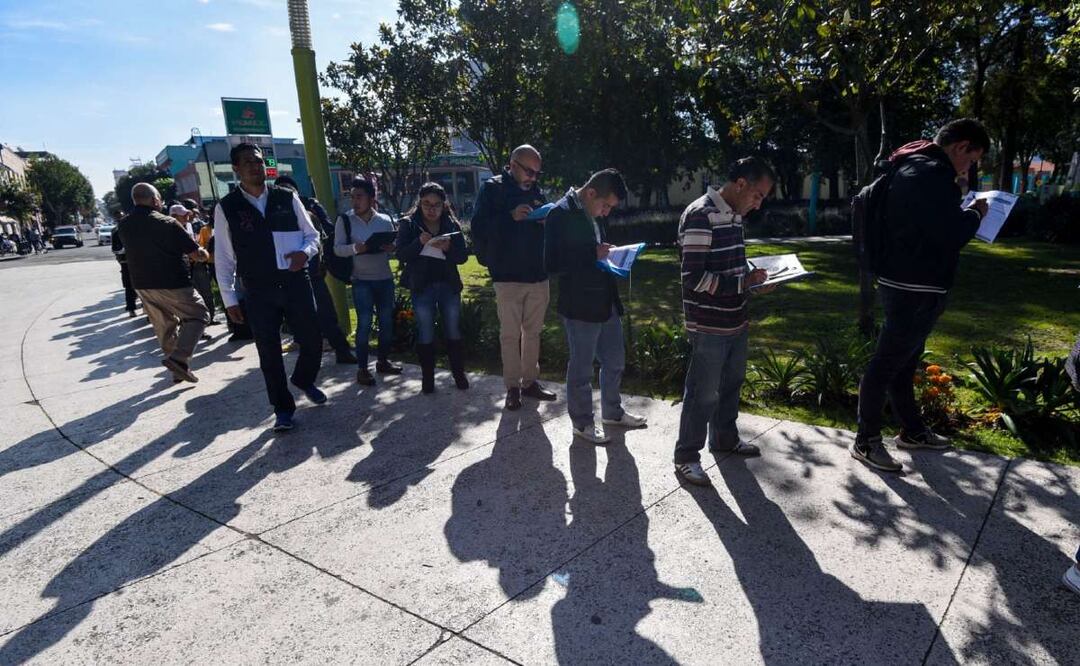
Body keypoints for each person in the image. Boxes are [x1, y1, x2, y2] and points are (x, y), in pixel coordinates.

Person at [851, 118, 991, 473]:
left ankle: (912, 431)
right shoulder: (932, 174)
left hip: (903, 279)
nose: (969, 167)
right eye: (972, 159)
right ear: (961, 146)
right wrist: (975, 213)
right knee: (886, 363)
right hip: (916, 285)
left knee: (904, 361)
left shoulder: (912, 166)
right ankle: (866, 441)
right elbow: (950, 234)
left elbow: (925, 224)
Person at [672, 157, 778, 486]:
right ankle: (686, 457)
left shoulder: (733, 215)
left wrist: (753, 278)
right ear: (740, 184)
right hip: (708, 323)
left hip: (735, 319)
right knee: (702, 393)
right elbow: (694, 277)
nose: (758, 204)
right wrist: (743, 284)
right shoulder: (701, 214)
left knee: (731, 385)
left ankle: (724, 438)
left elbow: (732, 262)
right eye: (758, 195)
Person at [214, 143, 326, 432]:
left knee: (313, 339)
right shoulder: (227, 207)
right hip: (258, 288)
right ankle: (283, 409)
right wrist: (229, 299)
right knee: (269, 353)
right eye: (248, 162)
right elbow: (225, 257)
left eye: (259, 161)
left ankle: (303, 379)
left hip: (294, 282)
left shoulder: (286, 197)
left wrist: (306, 252)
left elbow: (312, 235)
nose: (255, 166)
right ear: (236, 169)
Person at [544, 168, 646, 444]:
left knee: (615, 360)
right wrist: (592, 254)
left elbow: (594, 248)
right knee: (582, 367)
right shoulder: (560, 213)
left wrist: (608, 254)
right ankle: (582, 423)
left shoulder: (592, 211)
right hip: (579, 304)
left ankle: (612, 412)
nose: (606, 212)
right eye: (605, 205)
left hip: (605, 298)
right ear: (590, 193)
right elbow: (552, 263)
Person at [470, 144, 557, 411]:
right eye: (529, 171)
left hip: (537, 274)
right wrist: (510, 217)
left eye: (537, 173)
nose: (533, 177)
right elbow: (478, 227)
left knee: (533, 333)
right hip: (507, 275)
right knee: (510, 335)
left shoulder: (536, 192)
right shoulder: (492, 189)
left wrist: (546, 222)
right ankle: (512, 388)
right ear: (512, 164)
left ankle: (530, 382)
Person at [116, 183, 209, 382]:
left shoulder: (124, 224)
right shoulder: (167, 222)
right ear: (155, 200)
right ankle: (179, 358)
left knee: (164, 327)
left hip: (142, 284)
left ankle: (178, 371)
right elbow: (195, 252)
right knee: (199, 315)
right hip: (172, 280)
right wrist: (204, 253)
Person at [273, 175, 356, 366]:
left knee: (326, 314)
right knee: (298, 319)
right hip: (285, 275)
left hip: (312, 272)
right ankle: (310, 356)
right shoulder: (271, 213)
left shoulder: (309, 209)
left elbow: (327, 232)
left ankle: (342, 350)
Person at [395, 182, 469, 394]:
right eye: (426, 204)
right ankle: (428, 379)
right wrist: (419, 242)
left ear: (443, 205)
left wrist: (448, 248)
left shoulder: (451, 224)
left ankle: (459, 374)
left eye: (436, 204)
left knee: (453, 330)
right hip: (422, 286)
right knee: (425, 332)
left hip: (448, 285)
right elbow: (400, 254)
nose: (431, 209)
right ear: (419, 203)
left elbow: (462, 257)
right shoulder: (409, 224)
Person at [334, 177, 401, 385]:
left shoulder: (384, 219)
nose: (355, 201)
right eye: (352, 196)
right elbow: (337, 249)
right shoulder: (344, 220)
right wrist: (356, 248)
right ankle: (362, 369)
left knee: (386, 323)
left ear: (371, 199)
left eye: (359, 196)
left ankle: (383, 361)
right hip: (361, 280)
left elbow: (393, 244)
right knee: (364, 324)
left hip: (384, 279)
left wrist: (392, 248)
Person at [172, 202, 217, 326]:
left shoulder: (191, 226)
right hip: (183, 269)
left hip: (198, 265)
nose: (187, 216)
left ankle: (210, 319)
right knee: (190, 299)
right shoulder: (170, 230)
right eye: (183, 214)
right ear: (174, 216)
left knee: (206, 292)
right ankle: (195, 325)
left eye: (187, 213)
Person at [110, 212, 138, 317]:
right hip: (126, 262)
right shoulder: (116, 231)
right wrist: (126, 250)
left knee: (143, 285)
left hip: (140, 261)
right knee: (129, 286)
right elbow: (115, 249)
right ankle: (131, 308)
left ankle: (147, 309)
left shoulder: (135, 229)